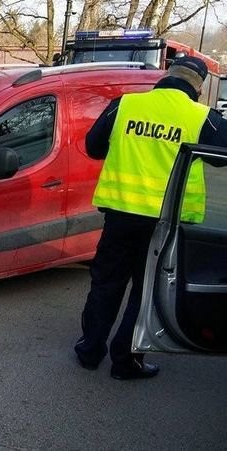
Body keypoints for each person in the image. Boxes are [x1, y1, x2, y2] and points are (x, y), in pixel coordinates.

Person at [74, 56, 227, 380]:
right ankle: (125, 361)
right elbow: (221, 158)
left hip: (120, 215)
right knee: (145, 293)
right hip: (165, 224)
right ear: (198, 87)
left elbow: (93, 146)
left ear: (166, 76)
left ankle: (90, 351)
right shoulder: (202, 117)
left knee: (105, 284)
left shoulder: (125, 105)